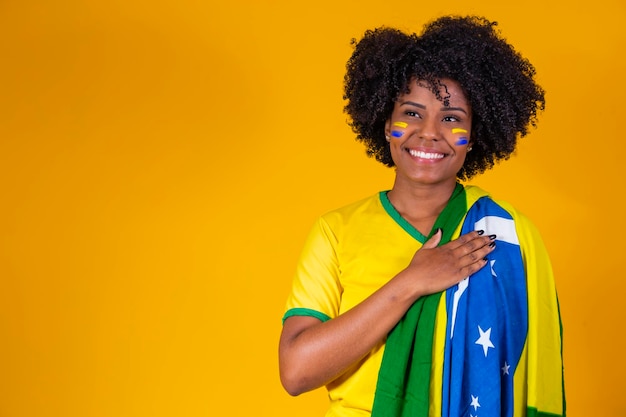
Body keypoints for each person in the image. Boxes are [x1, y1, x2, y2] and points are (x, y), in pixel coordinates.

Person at [279, 15, 565, 417]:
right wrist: (412, 281)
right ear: (385, 124)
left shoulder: (504, 234)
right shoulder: (336, 230)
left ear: (474, 137)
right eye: (411, 113)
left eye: (451, 119)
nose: (429, 132)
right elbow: (296, 371)